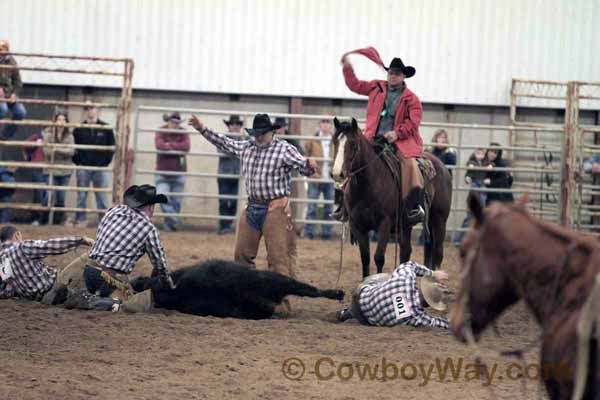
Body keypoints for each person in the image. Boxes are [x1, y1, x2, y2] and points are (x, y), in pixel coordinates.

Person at [189, 113, 317, 315]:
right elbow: (223, 142)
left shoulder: (284, 149)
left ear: (271, 132)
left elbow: (304, 167)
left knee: (277, 259)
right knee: (241, 255)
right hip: (253, 206)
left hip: (275, 208)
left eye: (262, 133)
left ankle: (283, 305)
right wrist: (201, 128)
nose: (258, 137)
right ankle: (246, 299)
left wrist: (309, 166)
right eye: (256, 133)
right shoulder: (247, 146)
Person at [334, 51, 425, 224]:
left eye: (397, 74)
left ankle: (413, 206)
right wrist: (347, 68)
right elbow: (355, 85)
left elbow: (413, 123)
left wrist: (397, 133)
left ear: (403, 76)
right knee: (350, 160)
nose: (393, 76)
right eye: (391, 73)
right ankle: (343, 205)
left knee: (410, 164)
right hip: (372, 138)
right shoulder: (376, 87)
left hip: (399, 142)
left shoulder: (412, 100)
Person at [65, 184, 176, 313]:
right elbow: (160, 265)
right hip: (109, 279)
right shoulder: (148, 228)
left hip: (88, 270)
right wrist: (168, 284)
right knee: (135, 305)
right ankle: (93, 302)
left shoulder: (114, 211)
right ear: (151, 207)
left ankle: (83, 293)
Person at [336, 261, 450, 329]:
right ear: (429, 305)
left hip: (362, 295)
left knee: (388, 277)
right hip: (366, 319)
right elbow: (437, 322)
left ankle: (347, 312)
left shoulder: (406, 279)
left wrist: (432, 273)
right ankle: (349, 313)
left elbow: (410, 264)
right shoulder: (415, 317)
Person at [0, 225, 94, 304]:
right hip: (52, 287)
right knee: (89, 257)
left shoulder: (1, 259)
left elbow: (8, 289)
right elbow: (50, 245)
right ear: (17, 235)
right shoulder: (22, 247)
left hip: (36, 298)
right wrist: (80, 240)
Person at [72, 100, 115, 227]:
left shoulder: (106, 128)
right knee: (81, 196)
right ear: (85, 111)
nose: (90, 111)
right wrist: (79, 163)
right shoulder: (79, 129)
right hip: (83, 167)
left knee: (101, 196)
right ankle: (81, 220)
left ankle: (104, 222)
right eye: (88, 108)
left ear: (97, 110)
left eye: (92, 108)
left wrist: (105, 162)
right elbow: (74, 148)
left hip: (100, 167)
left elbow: (112, 147)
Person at [417, 129, 456, 245]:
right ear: (436, 138)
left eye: (444, 138)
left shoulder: (449, 153)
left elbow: (451, 165)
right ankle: (424, 237)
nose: (441, 140)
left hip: (443, 186)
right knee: (426, 211)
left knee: (439, 214)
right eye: (440, 137)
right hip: (430, 183)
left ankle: (432, 239)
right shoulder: (431, 151)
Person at [155, 111, 190, 231]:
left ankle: (170, 225)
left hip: (179, 172)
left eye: (177, 123)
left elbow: (186, 147)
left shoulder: (183, 132)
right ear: (168, 121)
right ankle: (175, 220)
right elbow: (159, 145)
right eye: (172, 122)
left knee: (176, 201)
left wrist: (169, 145)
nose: (174, 125)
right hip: (162, 173)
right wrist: (176, 146)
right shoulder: (161, 130)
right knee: (161, 196)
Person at [42, 110, 75, 225]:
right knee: (49, 196)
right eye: (59, 119)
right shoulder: (48, 134)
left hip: (65, 171)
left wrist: (56, 149)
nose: (61, 122)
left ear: (66, 122)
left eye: (63, 120)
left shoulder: (70, 135)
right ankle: (44, 221)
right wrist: (62, 150)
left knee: (60, 198)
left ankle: (56, 223)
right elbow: (46, 151)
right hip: (50, 169)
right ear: (55, 121)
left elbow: (71, 151)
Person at [303, 118, 334, 240]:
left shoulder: (334, 141)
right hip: (315, 177)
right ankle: (308, 233)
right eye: (323, 122)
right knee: (311, 206)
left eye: (328, 122)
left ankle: (327, 234)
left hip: (330, 178)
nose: (325, 125)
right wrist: (310, 171)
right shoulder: (312, 140)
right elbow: (306, 154)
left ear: (330, 125)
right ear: (319, 124)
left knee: (329, 207)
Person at [452, 148, 490, 245]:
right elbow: (468, 174)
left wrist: (490, 167)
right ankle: (458, 240)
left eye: (482, 153)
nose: (480, 155)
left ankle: (479, 241)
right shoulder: (471, 162)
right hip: (475, 186)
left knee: (480, 215)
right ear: (475, 154)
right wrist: (467, 177)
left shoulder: (486, 162)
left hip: (483, 187)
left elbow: (491, 166)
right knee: (469, 218)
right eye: (478, 153)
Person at [217, 115, 244, 234]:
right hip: (224, 173)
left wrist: (232, 150)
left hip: (236, 174)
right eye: (233, 124)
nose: (235, 126)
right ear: (229, 126)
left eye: (238, 124)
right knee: (223, 200)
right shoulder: (223, 138)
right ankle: (224, 225)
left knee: (233, 201)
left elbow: (243, 152)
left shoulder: (243, 139)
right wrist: (236, 150)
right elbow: (221, 151)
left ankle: (228, 224)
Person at [0, 39, 27, 140]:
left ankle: (4, 135)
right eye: (0, 48)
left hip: (8, 93)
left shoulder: (11, 61)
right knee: (3, 109)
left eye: (4, 48)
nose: (2, 50)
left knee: (21, 113)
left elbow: (18, 81)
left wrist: (14, 94)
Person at [23, 130, 47, 225]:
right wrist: (36, 144)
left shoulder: (58, 136)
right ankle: (36, 218)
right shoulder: (39, 135)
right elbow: (25, 145)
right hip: (38, 167)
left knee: (48, 195)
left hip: (52, 168)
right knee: (39, 194)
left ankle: (45, 219)